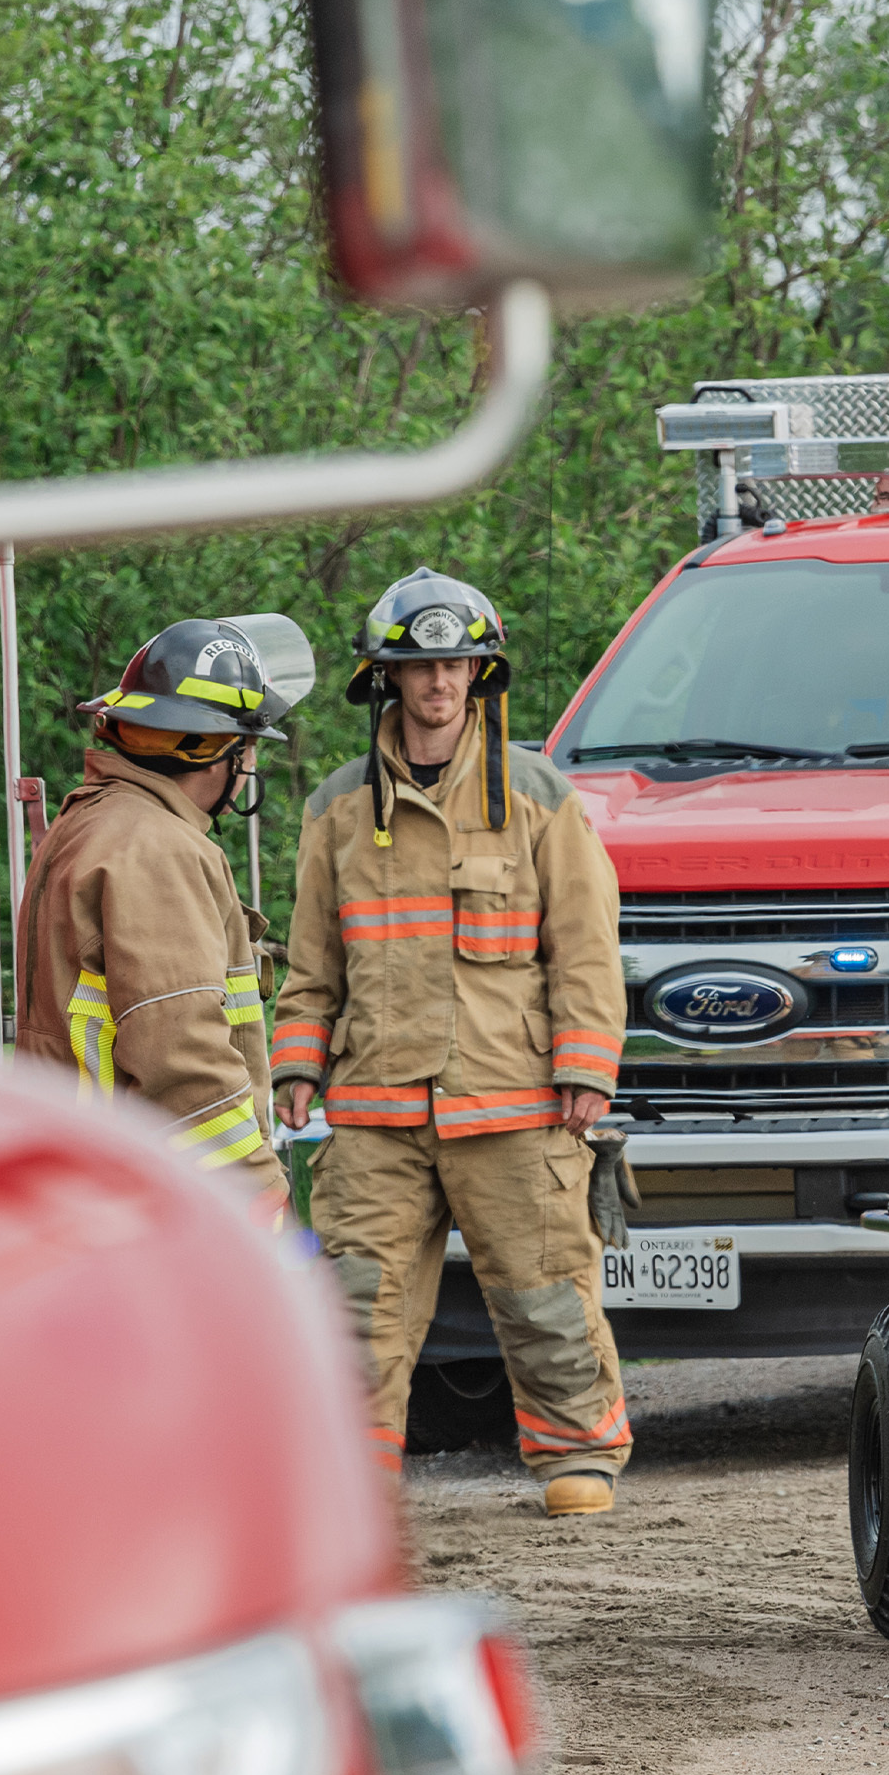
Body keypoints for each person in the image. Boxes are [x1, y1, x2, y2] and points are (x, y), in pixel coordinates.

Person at [269, 569, 631, 1516]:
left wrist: (587, 1065)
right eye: (420, 665)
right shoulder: (336, 809)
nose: (439, 683)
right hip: (375, 1110)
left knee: (545, 1292)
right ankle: (351, 1483)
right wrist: (297, 1062)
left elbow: (586, 945)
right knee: (358, 1307)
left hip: (512, 1101)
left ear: (482, 673)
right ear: (387, 678)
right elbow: (312, 961)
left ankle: (575, 1458)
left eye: (456, 664)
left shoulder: (539, 795)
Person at [16, 616, 303, 1212]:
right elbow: (183, 1057)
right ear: (216, 749)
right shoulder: (156, 850)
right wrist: (257, 1197)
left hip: (94, 1184)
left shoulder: (98, 821)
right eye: (247, 748)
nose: (250, 766)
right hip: (154, 1196)